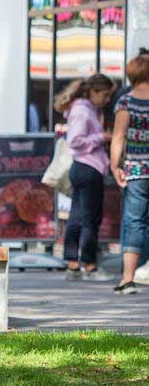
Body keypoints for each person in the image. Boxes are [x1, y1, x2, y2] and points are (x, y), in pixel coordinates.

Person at [54, 73, 115, 282]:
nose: (107, 100)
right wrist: (102, 137)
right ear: (94, 92)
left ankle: (72, 262)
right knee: (89, 218)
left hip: (84, 167)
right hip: (88, 166)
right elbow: (76, 140)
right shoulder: (83, 110)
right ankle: (89, 265)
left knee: (77, 216)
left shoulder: (83, 109)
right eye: (105, 95)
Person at [111, 55, 149, 294]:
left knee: (135, 222)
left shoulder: (126, 102)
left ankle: (127, 279)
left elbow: (118, 137)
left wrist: (115, 166)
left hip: (137, 170)